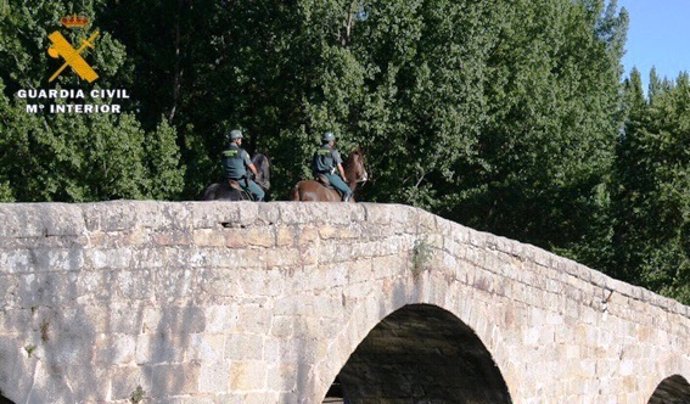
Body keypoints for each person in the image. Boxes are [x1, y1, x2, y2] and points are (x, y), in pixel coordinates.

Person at [221, 129, 265, 201]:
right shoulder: (242, 152)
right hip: (240, 181)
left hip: (227, 180)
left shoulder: (223, 153)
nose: (241, 140)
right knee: (261, 193)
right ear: (236, 140)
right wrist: (256, 174)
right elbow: (252, 168)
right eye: (240, 138)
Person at [312, 131, 353, 201]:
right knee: (348, 191)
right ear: (330, 142)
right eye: (333, 141)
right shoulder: (333, 151)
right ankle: (345, 206)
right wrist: (343, 177)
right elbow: (339, 167)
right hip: (328, 175)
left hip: (317, 175)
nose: (333, 142)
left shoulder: (317, 151)